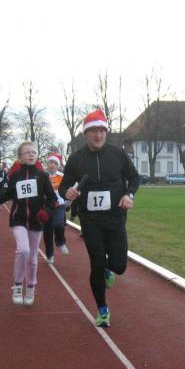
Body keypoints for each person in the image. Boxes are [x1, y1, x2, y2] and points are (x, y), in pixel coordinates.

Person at [58, 109, 140, 327]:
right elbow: (64, 186)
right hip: (90, 220)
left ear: (106, 132)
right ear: (86, 134)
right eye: (93, 131)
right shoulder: (76, 159)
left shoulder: (117, 154)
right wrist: (67, 192)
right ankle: (102, 309)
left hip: (115, 218)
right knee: (96, 263)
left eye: (102, 130)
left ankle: (108, 270)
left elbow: (134, 178)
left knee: (119, 266)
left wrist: (129, 194)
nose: (98, 135)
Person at [0, 141, 57, 306]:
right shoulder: (15, 176)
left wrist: (46, 212)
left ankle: (31, 287)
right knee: (23, 250)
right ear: (20, 157)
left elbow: (52, 199)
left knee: (33, 258)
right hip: (19, 219)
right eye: (27, 152)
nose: (31, 155)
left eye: (34, 152)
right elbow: (7, 194)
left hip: (36, 221)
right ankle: (17, 285)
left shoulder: (42, 176)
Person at [43, 153, 69, 264]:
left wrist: (67, 202)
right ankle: (49, 255)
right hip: (46, 206)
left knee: (59, 224)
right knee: (47, 231)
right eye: (50, 162)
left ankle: (61, 242)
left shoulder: (62, 176)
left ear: (58, 165)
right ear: (47, 164)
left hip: (59, 205)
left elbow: (69, 189)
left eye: (55, 163)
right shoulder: (43, 176)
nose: (52, 165)